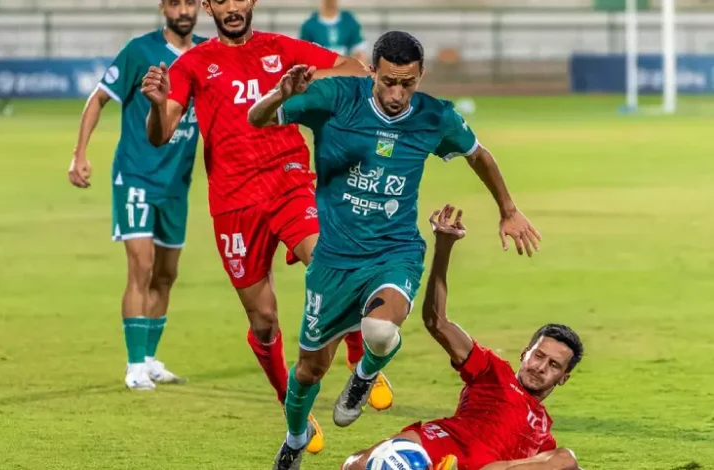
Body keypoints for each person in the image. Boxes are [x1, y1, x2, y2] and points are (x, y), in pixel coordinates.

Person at [246, 31, 542, 470]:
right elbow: (257, 120)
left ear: (420, 76)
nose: (398, 94)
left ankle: (365, 373)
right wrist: (278, 95)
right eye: (388, 82)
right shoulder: (334, 96)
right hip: (334, 261)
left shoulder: (435, 117)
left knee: (382, 332)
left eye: (408, 83)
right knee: (309, 370)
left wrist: (508, 208)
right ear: (372, 71)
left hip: (395, 250)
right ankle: (295, 436)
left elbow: (479, 154)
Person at [139, 0, 387, 455]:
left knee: (333, 260)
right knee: (265, 319)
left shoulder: (279, 47)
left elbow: (352, 67)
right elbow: (160, 133)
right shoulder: (195, 62)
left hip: (290, 182)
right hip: (234, 204)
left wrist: (305, 81)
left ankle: (358, 354)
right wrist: (157, 105)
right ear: (209, 6)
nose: (232, 7)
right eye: (222, 0)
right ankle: (291, 405)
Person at [341, 206, 584, 470]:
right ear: (525, 354)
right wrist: (443, 248)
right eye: (538, 355)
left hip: (493, 466)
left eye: (554, 365)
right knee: (355, 465)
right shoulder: (493, 371)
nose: (540, 367)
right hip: (446, 444)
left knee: (566, 459)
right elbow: (437, 322)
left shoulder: (543, 437)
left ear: (563, 378)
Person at [68, 0, 206, 391]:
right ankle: (133, 367)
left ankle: (149, 360)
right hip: (135, 176)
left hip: (176, 183)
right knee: (141, 266)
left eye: (190, 2)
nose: (183, 10)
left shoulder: (206, 56)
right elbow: (98, 98)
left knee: (166, 274)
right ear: (164, 7)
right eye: (176, 2)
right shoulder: (139, 51)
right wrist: (80, 154)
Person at [299, 0, 367, 64]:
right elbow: (303, 56)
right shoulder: (309, 25)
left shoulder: (350, 21)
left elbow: (360, 54)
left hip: (346, 72)